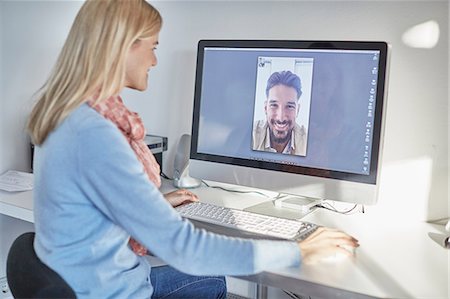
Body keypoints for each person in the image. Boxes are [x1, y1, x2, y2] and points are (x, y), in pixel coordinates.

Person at [27, 1, 359, 298]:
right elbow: (187, 250)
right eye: (153, 47)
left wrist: (150, 204)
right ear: (126, 46)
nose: (155, 61)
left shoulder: (67, 114)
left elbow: (95, 202)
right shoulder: (97, 135)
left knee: (216, 281)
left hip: (86, 280)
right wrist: (298, 251)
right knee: (214, 276)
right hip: (113, 290)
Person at [252, 70, 308, 156]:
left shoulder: (308, 141)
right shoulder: (251, 134)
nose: (281, 118)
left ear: (298, 110)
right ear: (265, 108)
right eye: (274, 105)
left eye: (289, 106)